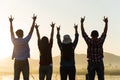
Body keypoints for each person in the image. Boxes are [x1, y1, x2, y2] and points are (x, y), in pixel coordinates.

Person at [9, 14, 37, 80]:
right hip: (24, 61)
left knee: (16, 78)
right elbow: (31, 31)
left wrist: (11, 22)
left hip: (17, 61)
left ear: (17, 34)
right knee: (26, 78)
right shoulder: (25, 40)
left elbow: (11, 32)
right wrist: (34, 21)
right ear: (23, 34)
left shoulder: (14, 41)